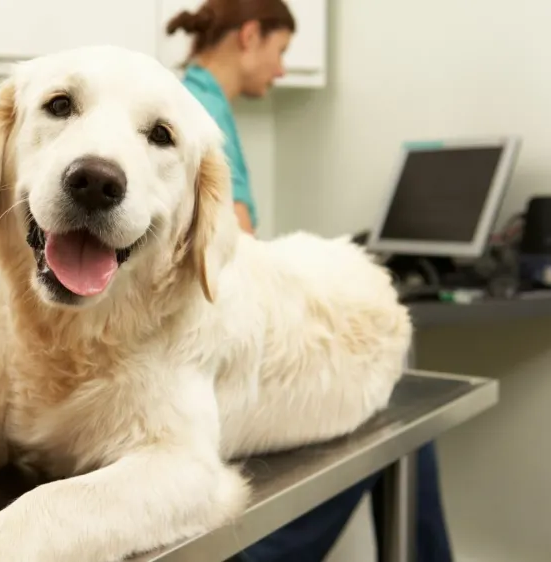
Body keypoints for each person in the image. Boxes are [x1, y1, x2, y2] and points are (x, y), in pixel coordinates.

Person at [167, 2, 454, 561]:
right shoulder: (195, 112)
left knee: (387, 400)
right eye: (280, 52)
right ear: (249, 36)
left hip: (204, 347)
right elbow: (233, 253)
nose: (281, 70)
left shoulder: (193, 101)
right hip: (199, 360)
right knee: (386, 395)